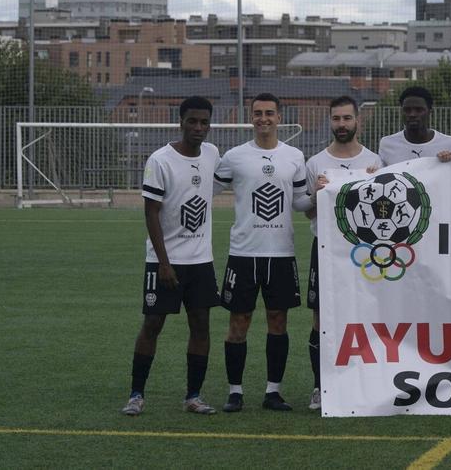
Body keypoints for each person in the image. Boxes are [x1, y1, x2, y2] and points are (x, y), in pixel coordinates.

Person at [122, 96, 221, 416]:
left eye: (204, 122)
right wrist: (163, 263)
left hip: (200, 261)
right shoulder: (160, 160)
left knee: (201, 326)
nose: (198, 127)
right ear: (181, 122)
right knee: (153, 324)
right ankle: (136, 395)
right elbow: (151, 212)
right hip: (164, 262)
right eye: (192, 121)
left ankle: (193, 396)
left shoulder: (212, 154)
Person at [214, 93, 311, 413]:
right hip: (243, 253)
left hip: (281, 253)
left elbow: (300, 202)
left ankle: (273, 392)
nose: (263, 118)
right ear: (251, 117)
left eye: (269, 113)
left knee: (278, 321)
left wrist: (322, 195)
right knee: (238, 322)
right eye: (258, 113)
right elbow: (208, 188)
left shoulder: (294, 156)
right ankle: (235, 392)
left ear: (279, 117)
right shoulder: (234, 157)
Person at [304, 96, 382, 411]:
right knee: (320, 318)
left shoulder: (374, 161)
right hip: (325, 249)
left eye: (347, 118)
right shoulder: (315, 163)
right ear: (330, 121)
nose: (341, 124)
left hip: (364, 251)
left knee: (366, 315)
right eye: (336, 118)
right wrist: (316, 195)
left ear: (357, 121)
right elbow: (308, 213)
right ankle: (319, 386)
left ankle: (366, 383)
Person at [378, 86, 451, 165]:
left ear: (430, 112)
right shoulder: (387, 144)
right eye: (407, 110)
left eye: (419, 110)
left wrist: (449, 164)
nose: (412, 114)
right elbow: (378, 172)